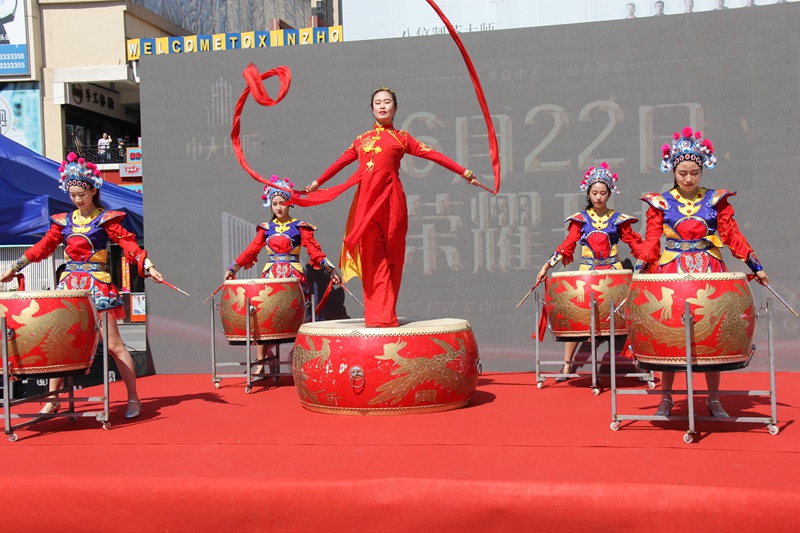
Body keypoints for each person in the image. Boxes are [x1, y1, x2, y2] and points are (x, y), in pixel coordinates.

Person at [295, 87, 478, 327]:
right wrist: (317, 183)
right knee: (373, 259)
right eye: (378, 102)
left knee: (392, 259)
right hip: (366, 205)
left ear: (395, 107)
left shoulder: (402, 138)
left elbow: (433, 155)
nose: (382, 106)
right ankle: (380, 319)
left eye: (387, 102)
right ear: (372, 109)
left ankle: (385, 314)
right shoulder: (361, 140)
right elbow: (339, 163)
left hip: (392, 203)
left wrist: (463, 172)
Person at [0, 152, 163, 418]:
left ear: (93, 191)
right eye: (73, 195)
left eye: (82, 195)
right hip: (70, 288)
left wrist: (148, 266)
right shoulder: (63, 222)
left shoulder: (106, 219)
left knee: (113, 345)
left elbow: (128, 243)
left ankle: (133, 397)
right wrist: (15, 267)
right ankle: (53, 399)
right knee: (60, 344)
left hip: (98, 286)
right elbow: (43, 247)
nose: (77, 199)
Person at [638, 127, 769, 417]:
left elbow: (732, 236)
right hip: (673, 273)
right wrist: (640, 268)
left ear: (702, 171)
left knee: (713, 332)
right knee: (670, 332)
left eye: (694, 173)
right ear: (673, 171)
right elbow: (651, 241)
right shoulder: (660, 202)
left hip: (710, 271)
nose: (688, 179)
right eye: (683, 173)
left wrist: (755, 266)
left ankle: (713, 398)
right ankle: (666, 398)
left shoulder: (715, 200)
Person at [536, 163, 643, 382]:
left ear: (609, 194)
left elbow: (636, 245)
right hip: (588, 276)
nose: (598, 197)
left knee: (627, 319)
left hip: (613, 276)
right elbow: (568, 245)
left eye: (603, 193)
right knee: (577, 320)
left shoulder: (618, 219)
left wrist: (648, 261)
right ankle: (567, 366)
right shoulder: (581, 219)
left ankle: (640, 364)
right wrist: (547, 265)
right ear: (588, 193)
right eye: (594, 193)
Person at [224, 175, 341, 372]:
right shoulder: (266, 229)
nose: (278, 207)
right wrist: (232, 269)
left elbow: (314, 250)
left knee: (298, 318)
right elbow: (251, 250)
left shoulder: (300, 227)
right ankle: (261, 361)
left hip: (293, 279)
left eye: (282, 203)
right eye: (275, 204)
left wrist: (330, 269)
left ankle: (299, 358)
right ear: (270, 205)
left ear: (290, 203)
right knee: (263, 317)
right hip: (271, 278)